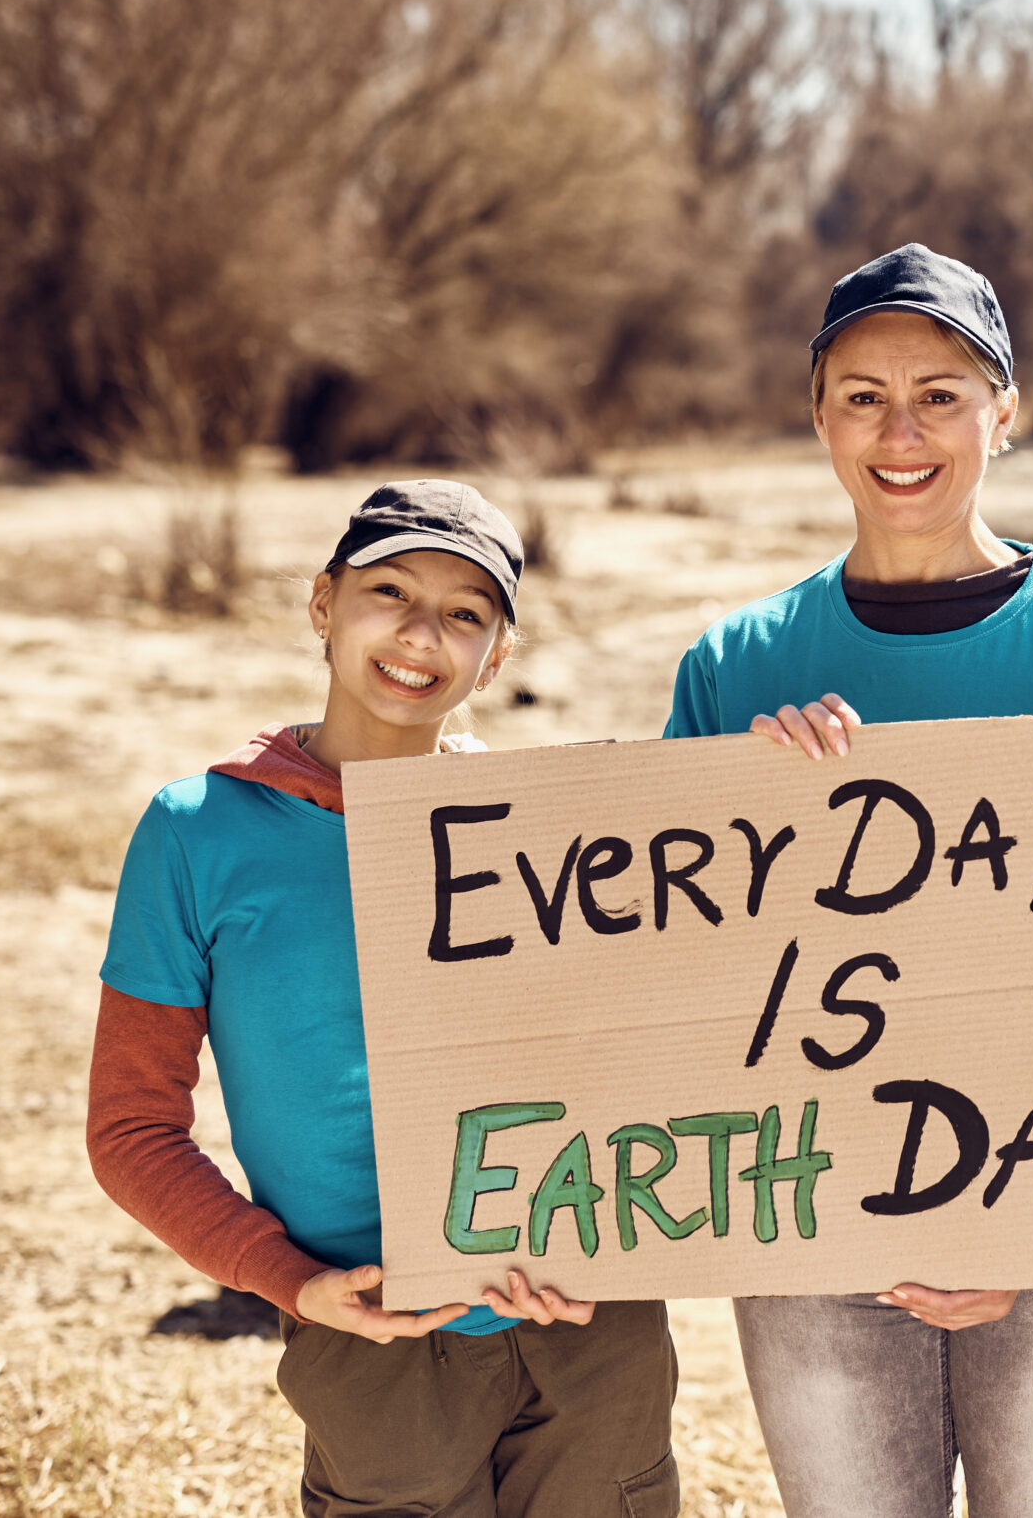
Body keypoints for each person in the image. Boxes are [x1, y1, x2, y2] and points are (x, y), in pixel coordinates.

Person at [663, 244, 1033, 1518]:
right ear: (819, 417)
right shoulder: (735, 666)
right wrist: (743, 814)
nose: (901, 431)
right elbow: (675, 977)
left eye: (941, 393)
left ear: (1002, 412)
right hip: (816, 1228)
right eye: (862, 395)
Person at [89, 480, 681, 1518]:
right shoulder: (198, 832)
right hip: (376, 1343)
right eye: (390, 592)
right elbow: (131, 1127)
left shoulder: (547, 835)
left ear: (497, 657)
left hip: (594, 1330)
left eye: (465, 614)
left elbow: (654, 1057)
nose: (421, 635)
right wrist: (284, 1278)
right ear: (322, 604)